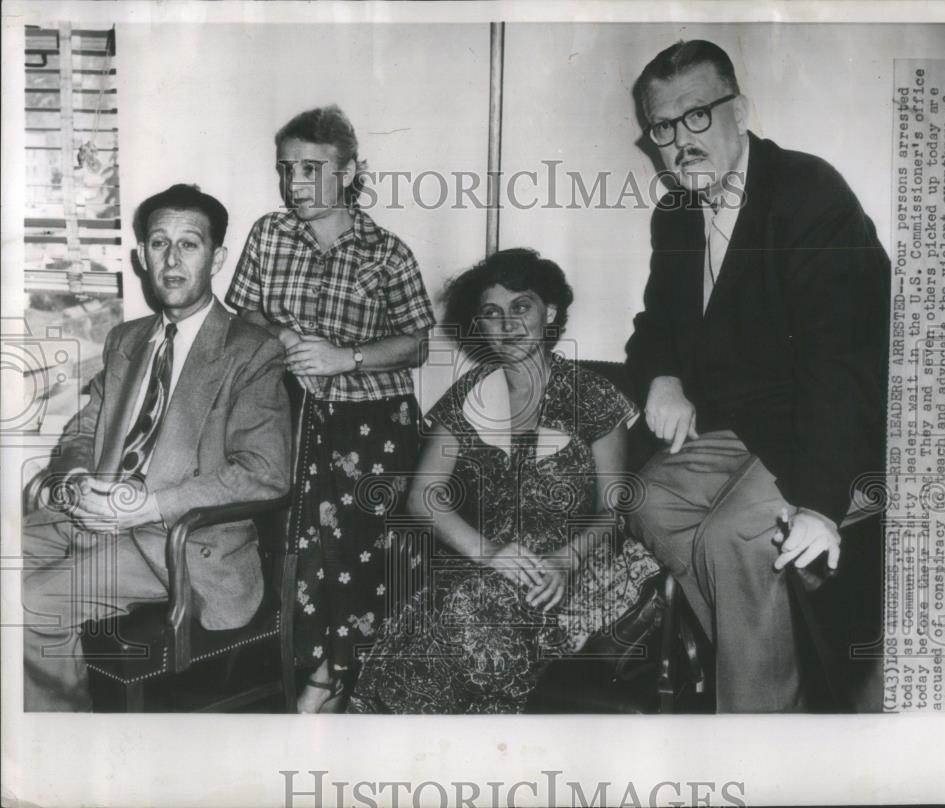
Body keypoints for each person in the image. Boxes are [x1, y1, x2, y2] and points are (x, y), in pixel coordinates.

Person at [625, 40, 890, 712]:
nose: (678, 141)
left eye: (697, 116)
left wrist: (824, 505)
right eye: (661, 126)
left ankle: (759, 729)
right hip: (744, 430)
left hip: (839, 427)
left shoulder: (807, 192)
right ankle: (775, 681)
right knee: (648, 500)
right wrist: (662, 378)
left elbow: (845, 360)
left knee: (730, 538)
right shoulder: (676, 215)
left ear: (739, 110)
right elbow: (655, 325)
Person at [348, 248, 661, 714]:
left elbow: (613, 511)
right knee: (422, 623)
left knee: (468, 619)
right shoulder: (468, 395)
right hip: (490, 561)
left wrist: (565, 561)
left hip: (578, 566)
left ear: (549, 312)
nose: (507, 324)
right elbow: (424, 496)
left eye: (521, 307)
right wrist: (489, 553)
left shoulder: (593, 396)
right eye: (491, 314)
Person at [22, 183, 291, 711]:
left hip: (180, 542)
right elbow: (83, 431)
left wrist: (146, 505)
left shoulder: (251, 351)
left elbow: (265, 471)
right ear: (141, 255)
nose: (171, 259)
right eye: (158, 242)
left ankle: (61, 752)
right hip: (92, 517)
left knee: (33, 602)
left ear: (218, 257)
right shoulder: (127, 339)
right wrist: (78, 482)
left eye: (189, 244)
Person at [225, 105, 436, 712]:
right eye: (286, 168)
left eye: (312, 169)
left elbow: (417, 343)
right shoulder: (269, 234)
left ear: (348, 172)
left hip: (372, 421)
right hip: (290, 411)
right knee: (297, 545)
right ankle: (312, 667)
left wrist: (348, 357)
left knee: (352, 548)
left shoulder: (386, 252)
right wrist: (285, 338)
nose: (295, 184)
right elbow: (244, 313)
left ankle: (334, 675)